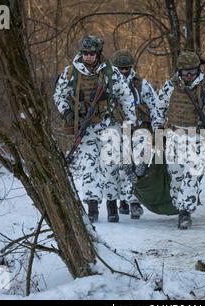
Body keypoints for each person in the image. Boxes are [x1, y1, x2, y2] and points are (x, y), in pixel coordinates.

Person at [54, 35, 136, 223]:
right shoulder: (70, 73)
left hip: (109, 124)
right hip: (85, 126)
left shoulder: (111, 73)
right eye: (85, 53)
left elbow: (125, 96)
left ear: (98, 53)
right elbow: (59, 96)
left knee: (111, 166)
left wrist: (129, 122)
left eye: (91, 53)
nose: (88, 56)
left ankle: (111, 205)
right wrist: (66, 112)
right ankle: (92, 205)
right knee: (88, 167)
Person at [157, 51, 205, 230]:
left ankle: (185, 213)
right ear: (179, 71)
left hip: (197, 136)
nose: (189, 75)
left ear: (198, 70)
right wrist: (157, 132)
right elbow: (159, 108)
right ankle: (181, 205)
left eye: (192, 72)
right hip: (174, 136)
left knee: (192, 175)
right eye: (185, 72)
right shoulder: (170, 86)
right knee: (176, 177)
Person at [111, 49, 161, 219]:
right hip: (117, 130)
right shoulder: (108, 84)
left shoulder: (141, 85)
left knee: (139, 166)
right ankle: (126, 201)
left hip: (140, 129)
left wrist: (157, 128)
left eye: (126, 68)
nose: (124, 72)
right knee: (123, 166)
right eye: (120, 69)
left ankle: (134, 201)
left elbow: (155, 107)